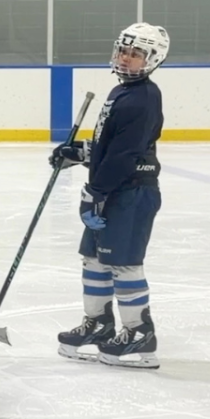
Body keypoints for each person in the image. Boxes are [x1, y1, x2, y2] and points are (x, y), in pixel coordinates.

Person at [54, 22, 168, 370]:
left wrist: (95, 192)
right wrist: (80, 151)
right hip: (114, 189)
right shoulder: (121, 92)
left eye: (135, 54)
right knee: (94, 258)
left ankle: (139, 332)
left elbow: (125, 155)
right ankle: (99, 324)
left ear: (152, 59)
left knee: (123, 262)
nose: (125, 58)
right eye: (123, 50)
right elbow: (110, 146)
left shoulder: (143, 97)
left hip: (131, 193)